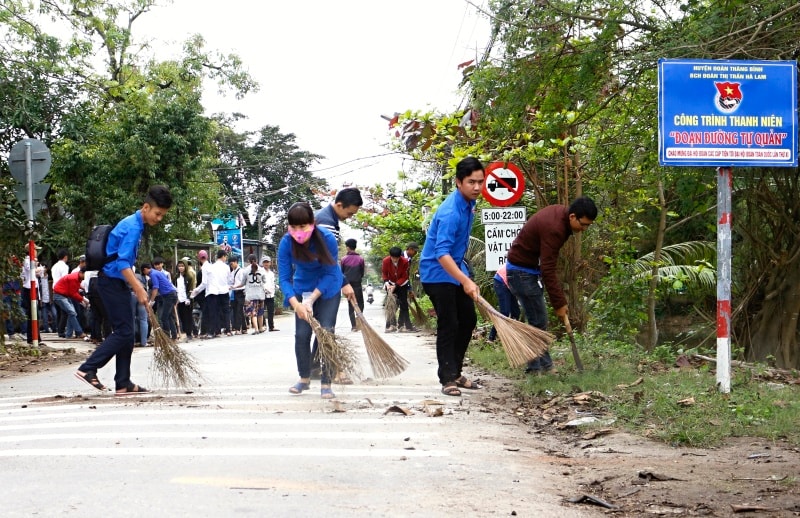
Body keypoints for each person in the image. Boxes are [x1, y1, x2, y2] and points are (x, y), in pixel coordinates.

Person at [74, 185, 173, 395]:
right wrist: (139, 288)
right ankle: (88, 368)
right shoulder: (133, 228)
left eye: (162, 215)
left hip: (114, 284)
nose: (159, 219)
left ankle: (123, 382)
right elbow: (122, 264)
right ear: (146, 207)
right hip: (110, 283)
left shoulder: (134, 223)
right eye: (158, 214)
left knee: (126, 333)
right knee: (124, 332)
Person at [506, 196, 598, 374]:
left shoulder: (560, 216)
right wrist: (559, 304)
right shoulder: (555, 229)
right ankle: (539, 368)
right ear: (573, 216)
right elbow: (548, 269)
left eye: (588, 225)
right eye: (583, 224)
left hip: (526, 271)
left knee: (537, 320)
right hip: (521, 273)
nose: (584, 229)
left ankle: (540, 366)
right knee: (538, 321)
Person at [420, 157, 485, 397]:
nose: (477, 187)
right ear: (458, 182)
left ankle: (455, 371)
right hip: (437, 274)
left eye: (480, 181)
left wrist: (465, 277)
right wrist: (465, 280)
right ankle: (447, 378)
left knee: (468, 320)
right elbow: (441, 254)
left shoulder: (469, 205)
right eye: (471, 182)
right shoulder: (450, 212)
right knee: (450, 323)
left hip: (455, 270)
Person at [278, 202, 343, 399]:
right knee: (302, 335)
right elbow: (284, 277)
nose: (298, 231)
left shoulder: (327, 239)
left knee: (326, 333)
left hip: (328, 289)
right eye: (294, 227)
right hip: (301, 288)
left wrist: (312, 299)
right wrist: (296, 303)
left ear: (312, 224)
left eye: (303, 226)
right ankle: (304, 378)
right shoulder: (286, 242)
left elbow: (331, 273)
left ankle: (326, 382)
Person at [192, 249, 231, 338]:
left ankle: (212, 331)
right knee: (224, 311)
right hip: (221, 290)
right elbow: (228, 279)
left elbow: (205, 283)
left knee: (213, 312)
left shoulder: (210, 267)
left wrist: (196, 291)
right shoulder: (222, 266)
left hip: (213, 292)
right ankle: (224, 330)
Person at [382, 246, 416, 332]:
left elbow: (405, 277)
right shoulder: (386, 261)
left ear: (399, 257)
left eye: (397, 258)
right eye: (393, 258)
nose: (395, 260)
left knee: (404, 305)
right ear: (390, 256)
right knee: (391, 305)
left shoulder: (405, 261)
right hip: (390, 284)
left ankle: (403, 326)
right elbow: (385, 273)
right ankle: (391, 325)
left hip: (402, 284)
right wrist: (387, 284)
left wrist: (396, 285)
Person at [53, 268, 88, 340]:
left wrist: (83, 289)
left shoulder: (77, 277)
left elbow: (75, 288)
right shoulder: (74, 278)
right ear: (81, 273)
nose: (85, 277)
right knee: (72, 312)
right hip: (60, 296)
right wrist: (82, 299)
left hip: (64, 295)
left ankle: (69, 334)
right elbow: (73, 293)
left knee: (71, 313)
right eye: (85, 275)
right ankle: (79, 332)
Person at [487, 264, 520, 342]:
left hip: (509, 284)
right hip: (501, 281)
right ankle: (491, 337)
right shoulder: (524, 264)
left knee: (516, 313)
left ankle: (511, 337)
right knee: (504, 312)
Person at [149, 257, 179, 340]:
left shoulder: (166, 273)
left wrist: (176, 294)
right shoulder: (152, 274)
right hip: (160, 297)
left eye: (159, 264)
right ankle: (171, 335)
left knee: (167, 316)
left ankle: (170, 335)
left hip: (168, 296)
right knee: (164, 316)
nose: (158, 266)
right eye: (156, 265)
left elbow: (169, 284)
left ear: (162, 264)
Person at [236, 254, 266, 333]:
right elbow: (264, 281)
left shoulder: (245, 270)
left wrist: (234, 287)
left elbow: (242, 283)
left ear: (248, 261)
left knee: (253, 313)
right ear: (256, 259)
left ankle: (256, 329)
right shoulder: (262, 270)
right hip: (260, 294)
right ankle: (261, 328)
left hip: (250, 295)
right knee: (260, 312)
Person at [340, 238, 365, 332]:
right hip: (357, 284)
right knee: (360, 303)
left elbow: (341, 273)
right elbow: (362, 272)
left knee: (350, 305)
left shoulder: (343, 259)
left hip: (347, 285)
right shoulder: (361, 259)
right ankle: (359, 321)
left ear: (347, 247)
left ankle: (353, 326)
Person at [173, 258, 196, 341]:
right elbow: (175, 287)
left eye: (182, 266)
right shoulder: (176, 277)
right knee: (182, 317)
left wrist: (189, 298)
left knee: (188, 317)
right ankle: (186, 332)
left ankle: (190, 334)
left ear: (185, 267)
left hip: (187, 300)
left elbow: (191, 288)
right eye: (179, 266)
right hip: (180, 300)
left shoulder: (189, 276)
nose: (181, 268)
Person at [51, 249, 70, 337]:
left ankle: (59, 329)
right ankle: (61, 331)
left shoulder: (54, 266)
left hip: (54, 289)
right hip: (62, 290)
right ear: (65, 257)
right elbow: (65, 279)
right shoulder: (65, 267)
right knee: (65, 311)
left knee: (59, 312)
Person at [133, 264, 151, 347]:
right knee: (143, 319)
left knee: (131, 319)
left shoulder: (125, 273)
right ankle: (144, 342)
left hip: (131, 295)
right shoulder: (140, 276)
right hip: (142, 294)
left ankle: (132, 341)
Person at [228, 256, 247, 334]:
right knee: (236, 310)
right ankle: (244, 328)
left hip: (241, 292)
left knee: (239, 310)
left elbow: (243, 283)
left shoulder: (241, 271)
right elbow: (231, 282)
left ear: (236, 262)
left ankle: (238, 328)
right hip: (234, 292)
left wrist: (235, 286)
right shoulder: (232, 272)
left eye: (232, 264)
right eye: (230, 264)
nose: (231, 265)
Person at [261, 256, 278, 332]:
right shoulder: (260, 272)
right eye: (264, 262)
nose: (266, 264)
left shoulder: (271, 273)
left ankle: (271, 326)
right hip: (263, 293)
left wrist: (274, 288)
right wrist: (265, 289)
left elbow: (273, 282)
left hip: (271, 294)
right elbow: (260, 282)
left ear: (270, 263)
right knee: (262, 310)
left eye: (267, 262)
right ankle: (263, 325)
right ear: (262, 263)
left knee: (271, 311)